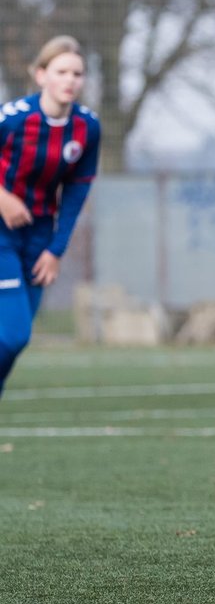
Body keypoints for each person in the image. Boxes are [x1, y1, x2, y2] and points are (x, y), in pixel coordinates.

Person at [1, 36, 101, 400]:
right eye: (61, 71)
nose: (70, 80)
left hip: (39, 237)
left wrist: (56, 250)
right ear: (40, 75)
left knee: (15, 338)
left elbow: (76, 193)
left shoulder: (87, 128)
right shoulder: (12, 119)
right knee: (13, 334)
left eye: (77, 73)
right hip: (1, 234)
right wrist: (3, 199)